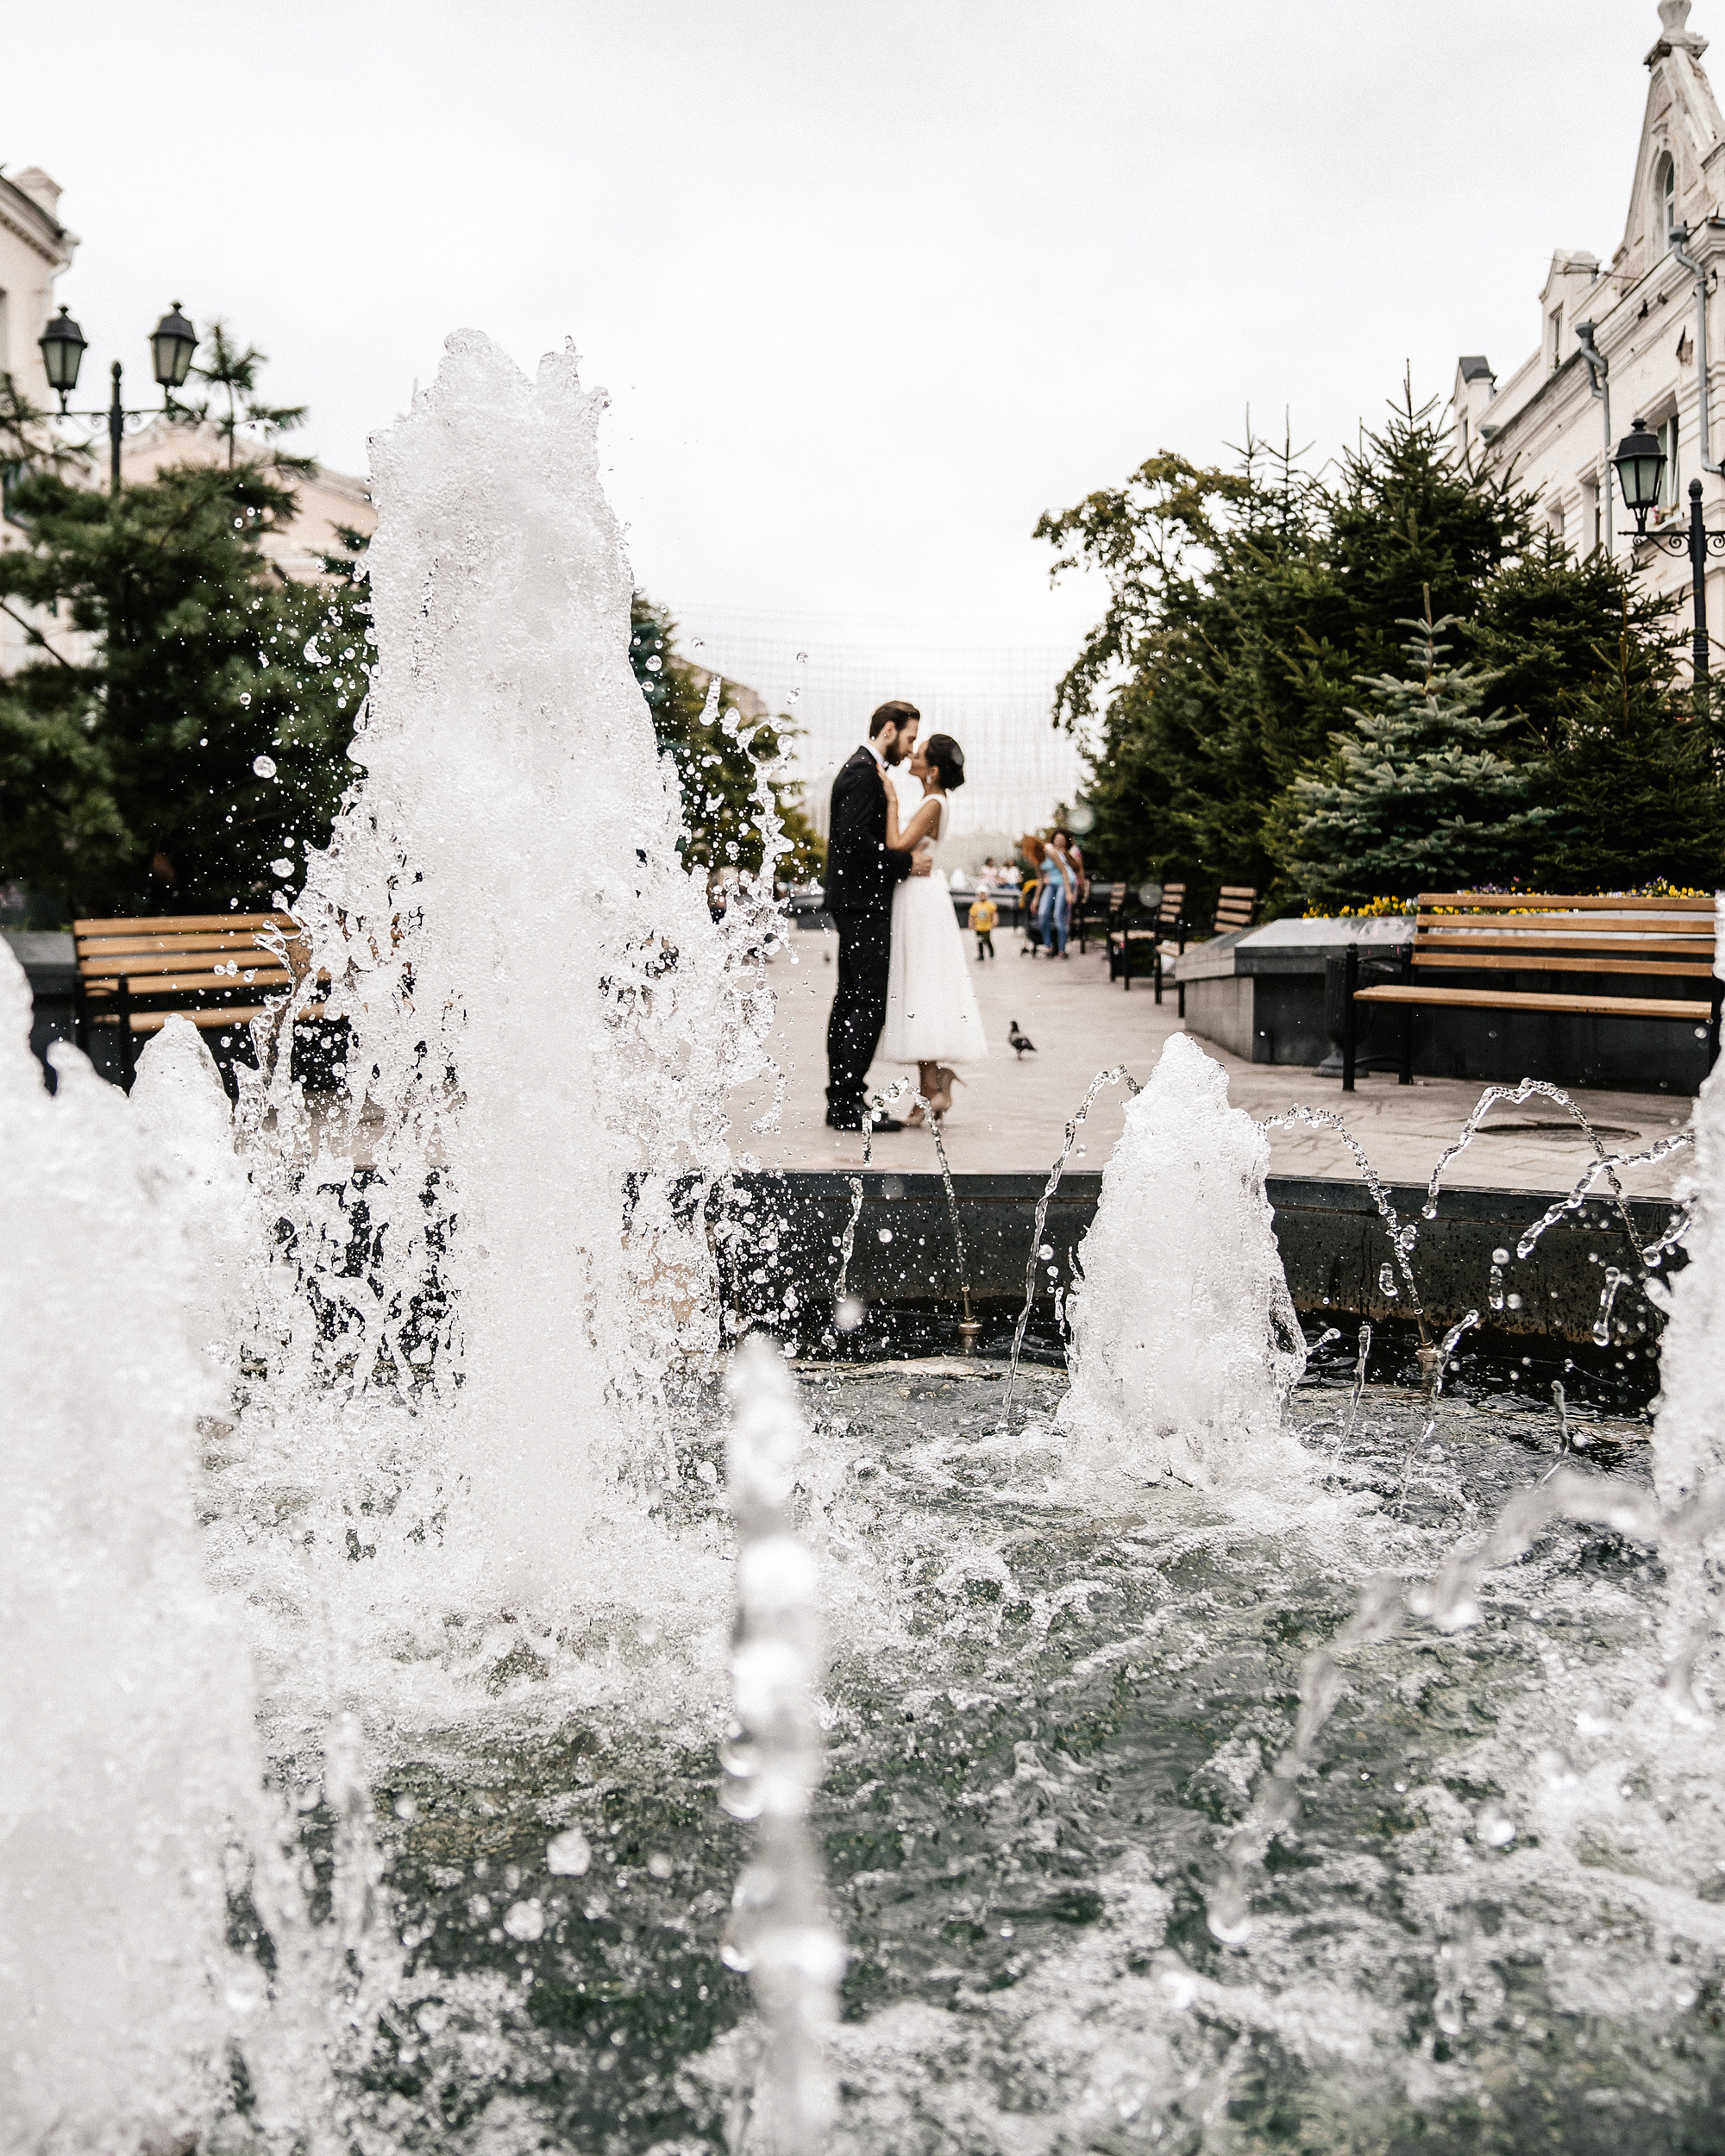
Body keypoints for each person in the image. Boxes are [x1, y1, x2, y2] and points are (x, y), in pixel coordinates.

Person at [824, 700, 933, 1131]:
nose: (909, 750)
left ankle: (844, 1098)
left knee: (851, 1000)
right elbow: (855, 844)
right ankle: (847, 1102)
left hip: (855, 902)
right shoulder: (862, 774)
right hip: (861, 904)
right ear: (888, 730)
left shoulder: (864, 772)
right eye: (908, 738)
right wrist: (907, 865)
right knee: (866, 1003)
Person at [877, 731, 988, 1122]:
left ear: (933, 769)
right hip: (921, 897)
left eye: (920, 753)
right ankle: (933, 1082)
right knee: (920, 988)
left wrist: (890, 800)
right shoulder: (934, 800)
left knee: (920, 988)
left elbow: (896, 845)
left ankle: (930, 1087)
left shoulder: (933, 802)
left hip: (921, 900)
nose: (913, 754)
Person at [1038, 833, 1074, 958]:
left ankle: (1062, 950)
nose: (1059, 842)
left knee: (1058, 915)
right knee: (1042, 913)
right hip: (1052, 884)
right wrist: (1036, 899)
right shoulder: (1038, 857)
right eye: (1057, 840)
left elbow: (1064, 871)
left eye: (1061, 840)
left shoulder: (1051, 851)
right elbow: (1041, 878)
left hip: (1065, 882)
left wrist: (1069, 893)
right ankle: (1048, 946)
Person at [968, 887, 998, 959]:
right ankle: (981, 955)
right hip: (978, 927)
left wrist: (995, 921)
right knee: (979, 941)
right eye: (980, 895)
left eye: (984, 895)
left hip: (987, 926)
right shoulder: (975, 905)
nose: (982, 896)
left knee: (987, 939)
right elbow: (972, 915)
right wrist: (971, 924)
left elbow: (994, 913)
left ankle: (991, 950)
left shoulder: (990, 904)